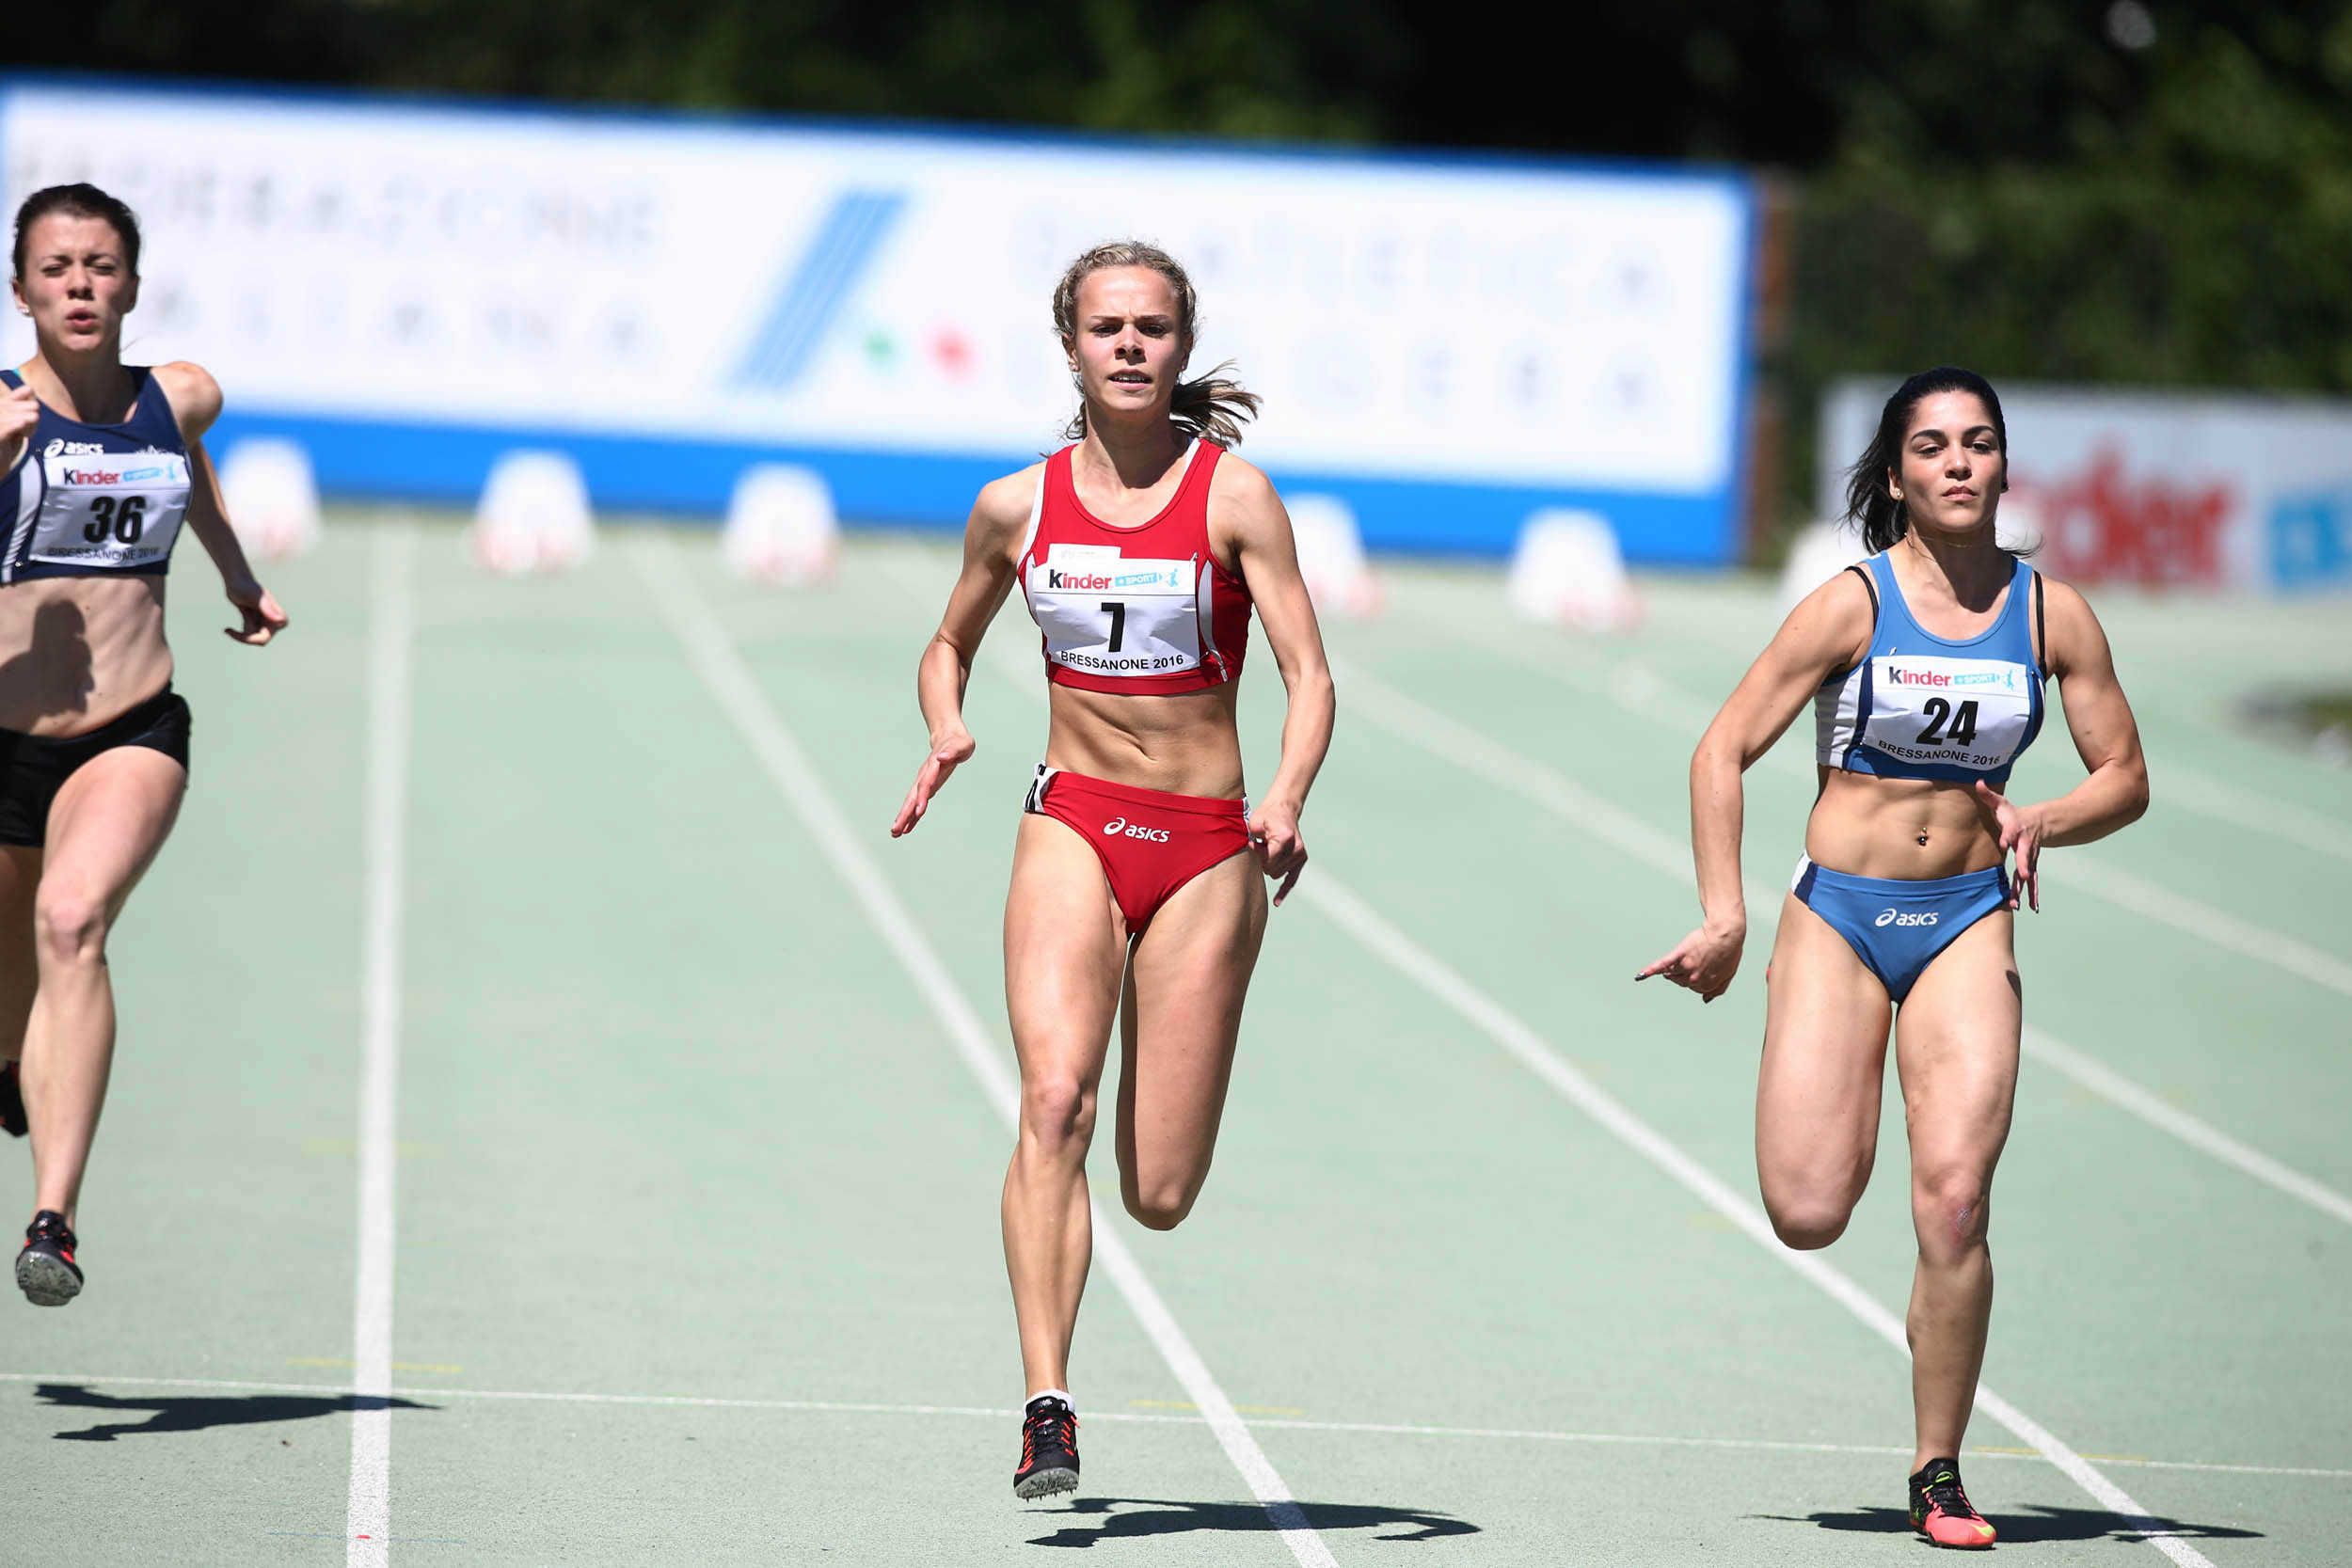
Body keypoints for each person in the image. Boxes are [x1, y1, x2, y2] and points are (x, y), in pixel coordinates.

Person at [1640, 367, 2147, 1547]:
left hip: (1968, 916)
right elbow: (1720, 749)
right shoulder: (1850, 605)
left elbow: (2124, 775)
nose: (1958, 462)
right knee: (1809, 1208)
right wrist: (1724, 913)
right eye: (1932, 446)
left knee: (1956, 1202)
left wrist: (2044, 818)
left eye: (1979, 441)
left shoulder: (2051, 615)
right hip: (1840, 919)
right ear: (1897, 474)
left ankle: (1938, 1468)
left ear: (2004, 464)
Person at [891, 240, 1334, 1500]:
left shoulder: (1236, 499)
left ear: (1180, 347)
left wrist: (1284, 796)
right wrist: (947, 722)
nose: (1130, 345)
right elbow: (946, 639)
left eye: (1152, 327)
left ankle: (1133, 1213)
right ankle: (1048, 1404)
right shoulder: (1014, 506)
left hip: (1203, 847)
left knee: (1160, 1189)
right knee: (1053, 1101)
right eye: (1107, 327)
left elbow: (1310, 673)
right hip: (1072, 818)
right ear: (1070, 345)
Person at [0, 183, 289, 1307]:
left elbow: (185, 453)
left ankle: (54, 1218)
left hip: (130, 730)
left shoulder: (181, 393)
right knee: (13, 983)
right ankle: (14, 1060)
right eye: (56, 267)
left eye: (101, 266)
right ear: (21, 290)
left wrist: (235, 571)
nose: (80, 284)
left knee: (72, 920)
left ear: (130, 285)